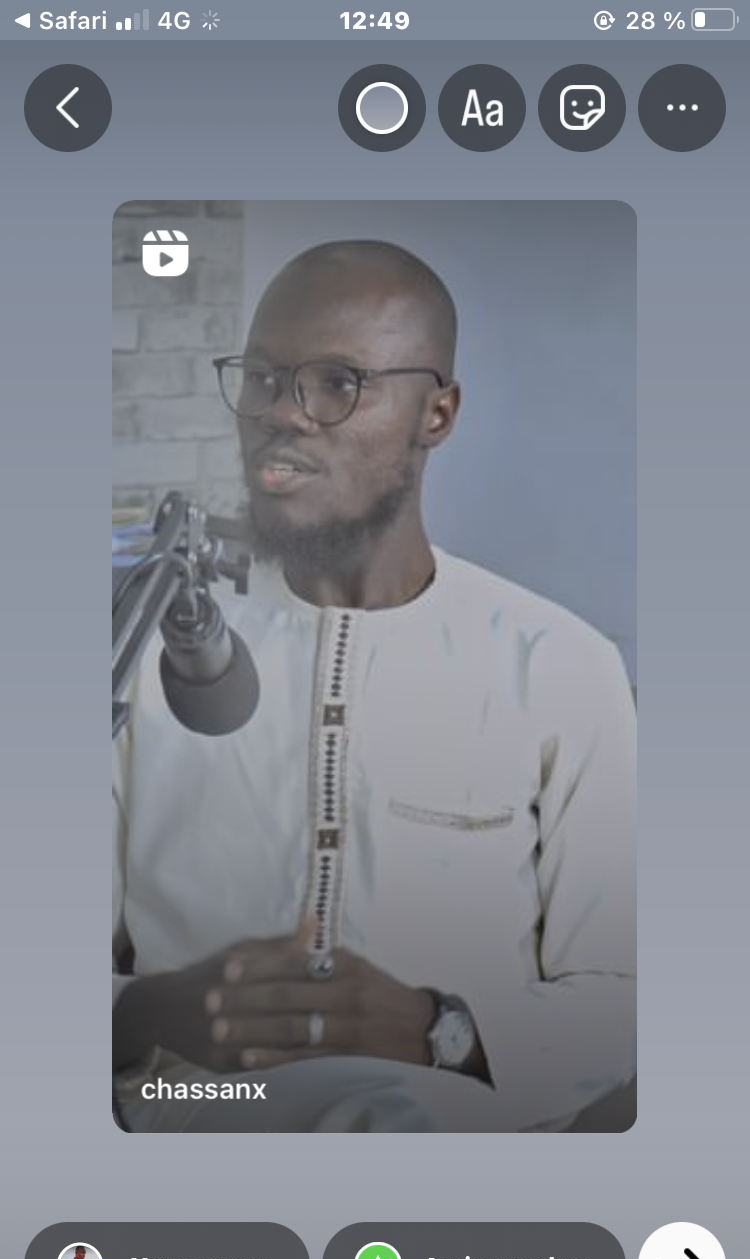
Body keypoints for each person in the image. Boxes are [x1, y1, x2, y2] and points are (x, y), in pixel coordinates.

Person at [113, 240, 636, 1132]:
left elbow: (628, 998)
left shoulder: (562, 666)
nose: (283, 414)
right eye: (263, 379)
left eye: (336, 383)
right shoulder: (141, 640)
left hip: (454, 1152)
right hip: (189, 1121)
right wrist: (152, 1010)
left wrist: (441, 1032)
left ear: (437, 414)